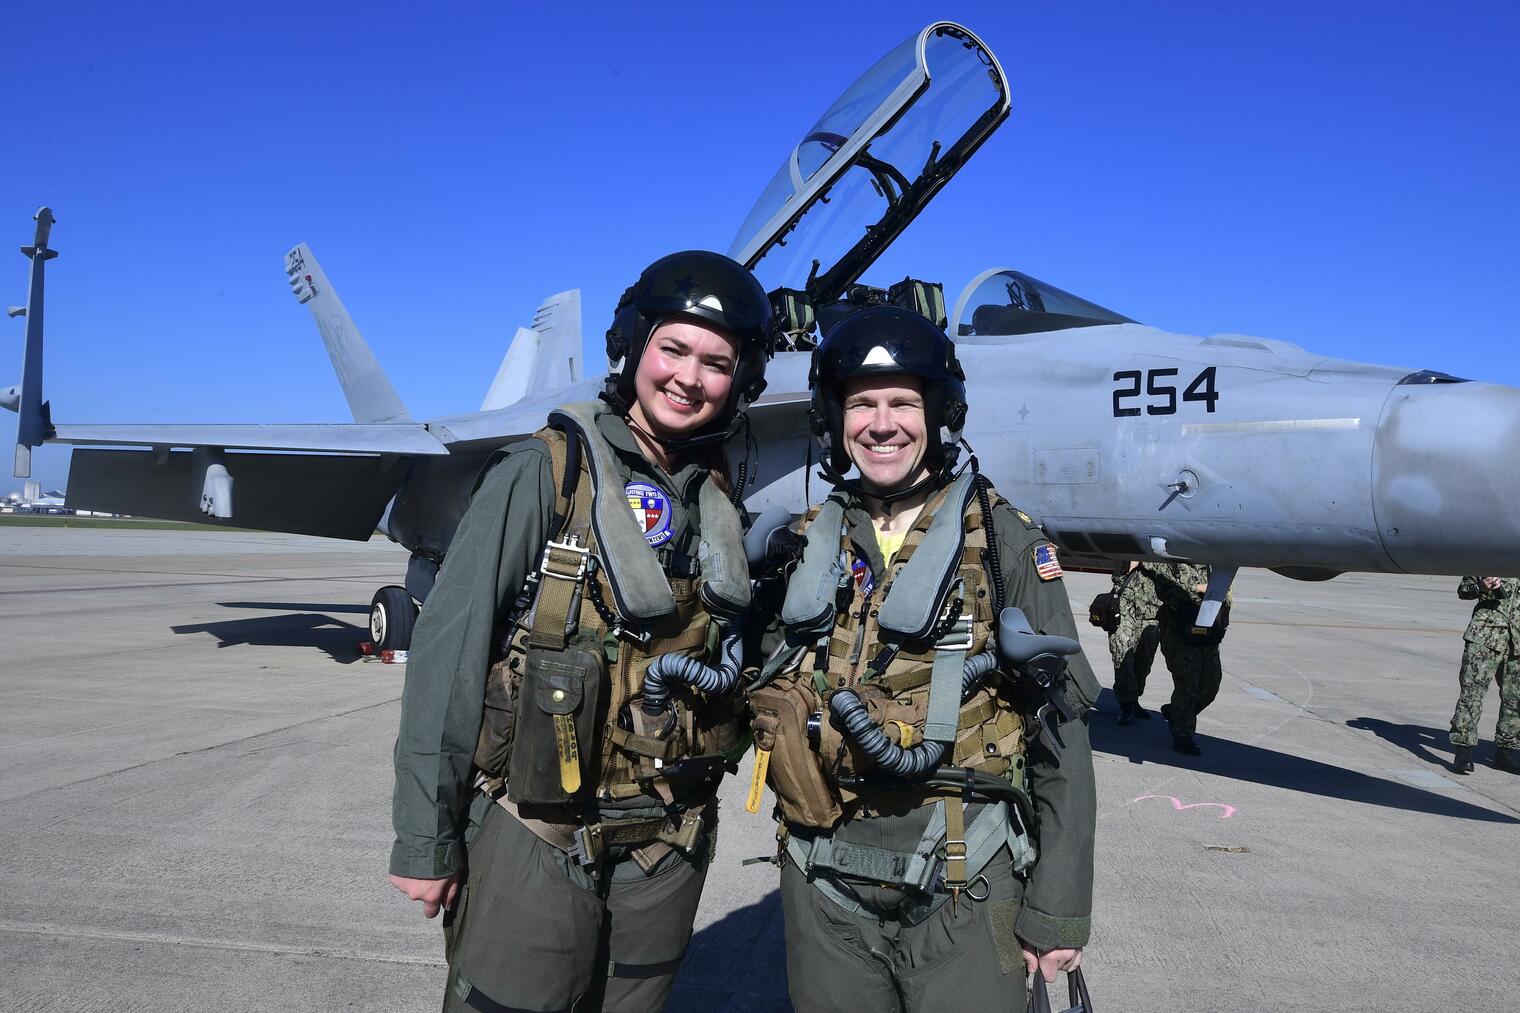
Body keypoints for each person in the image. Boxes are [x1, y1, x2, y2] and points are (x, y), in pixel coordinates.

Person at [387, 250, 773, 1013]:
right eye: (673, 349)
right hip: (536, 833)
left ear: (742, 379)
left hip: (667, 845)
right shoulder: (545, 473)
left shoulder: (715, 498)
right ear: (634, 345)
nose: (689, 377)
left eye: (716, 362)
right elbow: (448, 656)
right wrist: (424, 839)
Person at [749, 305, 1098, 1012]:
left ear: (938, 412)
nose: (883, 424)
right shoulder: (807, 544)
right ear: (835, 418)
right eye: (863, 404)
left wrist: (1058, 905)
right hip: (823, 880)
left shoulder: (1003, 542)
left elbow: (1062, 732)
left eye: (904, 402)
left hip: (963, 879)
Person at [1150, 562, 1223, 756]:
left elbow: (1226, 591)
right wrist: (1199, 590)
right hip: (1179, 632)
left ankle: (1177, 712)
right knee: (1188, 685)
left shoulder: (1212, 560)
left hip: (1207, 631)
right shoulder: (1171, 558)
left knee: (1211, 685)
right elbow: (1165, 590)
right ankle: (1183, 735)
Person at [1449, 576, 1520, 774]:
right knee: (1472, 694)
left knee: (1515, 699)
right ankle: (1463, 751)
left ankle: (1505, 752)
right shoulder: (1491, 555)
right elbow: (1464, 590)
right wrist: (1480, 587)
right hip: (1484, 637)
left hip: (1517, 642)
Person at [1109, 561, 1161, 726]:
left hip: (1152, 611)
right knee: (1122, 653)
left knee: (1144, 660)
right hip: (1125, 607)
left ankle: (1134, 697)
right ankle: (1127, 703)